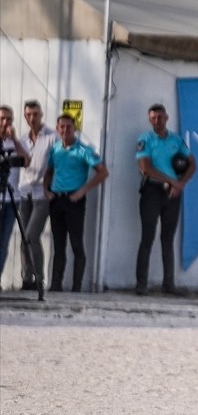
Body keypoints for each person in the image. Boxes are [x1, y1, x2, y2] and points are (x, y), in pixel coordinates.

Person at [134, 103, 196, 296]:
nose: (157, 121)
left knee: (167, 239)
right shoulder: (145, 139)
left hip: (173, 194)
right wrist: (172, 181)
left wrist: (181, 184)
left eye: (160, 117)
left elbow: (192, 164)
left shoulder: (176, 140)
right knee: (147, 237)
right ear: (149, 119)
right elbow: (146, 167)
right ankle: (141, 284)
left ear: (166, 118)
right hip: (152, 190)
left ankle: (169, 284)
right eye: (153, 118)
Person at [42, 114, 109, 292]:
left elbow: (103, 172)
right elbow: (49, 171)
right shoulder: (55, 149)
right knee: (58, 245)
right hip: (57, 200)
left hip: (74, 201)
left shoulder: (84, 150)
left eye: (68, 127)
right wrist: (46, 189)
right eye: (62, 127)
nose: (65, 130)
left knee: (76, 244)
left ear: (75, 128)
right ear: (57, 129)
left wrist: (83, 191)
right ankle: (56, 285)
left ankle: (76, 287)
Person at [17, 99, 55, 291]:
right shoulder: (22, 139)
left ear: (41, 115)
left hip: (42, 193)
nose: (32, 118)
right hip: (25, 192)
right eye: (29, 115)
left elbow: (57, 163)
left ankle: (39, 279)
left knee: (32, 235)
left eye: (36, 114)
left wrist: (51, 186)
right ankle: (27, 278)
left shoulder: (51, 137)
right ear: (25, 116)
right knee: (24, 237)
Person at [0, 105, 31, 278]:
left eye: (9, 119)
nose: (5, 123)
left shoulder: (18, 143)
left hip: (11, 199)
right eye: (2, 119)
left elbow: (26, 161)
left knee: (3, 243)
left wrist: (15, 139)